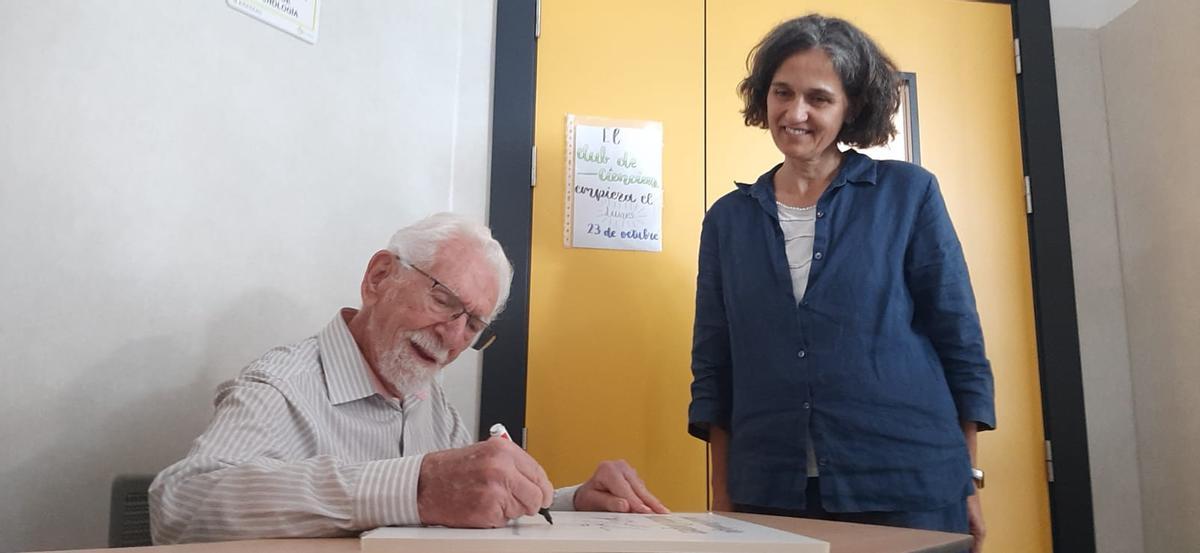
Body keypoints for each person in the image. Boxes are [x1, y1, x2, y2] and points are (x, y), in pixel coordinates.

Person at [151, 212, 668, 544]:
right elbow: (180, 505)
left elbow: (468, 499)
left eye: (474, 324)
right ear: (379, 277)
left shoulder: (432, 405)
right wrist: (415, 486)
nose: (452, 335)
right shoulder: (283, 385)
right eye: (444, 300)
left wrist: (569, 500)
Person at [687, 14, 994, 553]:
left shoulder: (908, 194)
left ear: (851, 107)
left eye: (818, 98)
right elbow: (715, 366)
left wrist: (967, 476)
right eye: (782, 92)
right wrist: (723, 495)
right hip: (771, 491)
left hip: (909, 482)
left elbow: (958, 338)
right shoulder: (727, 220)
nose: (795, 112)